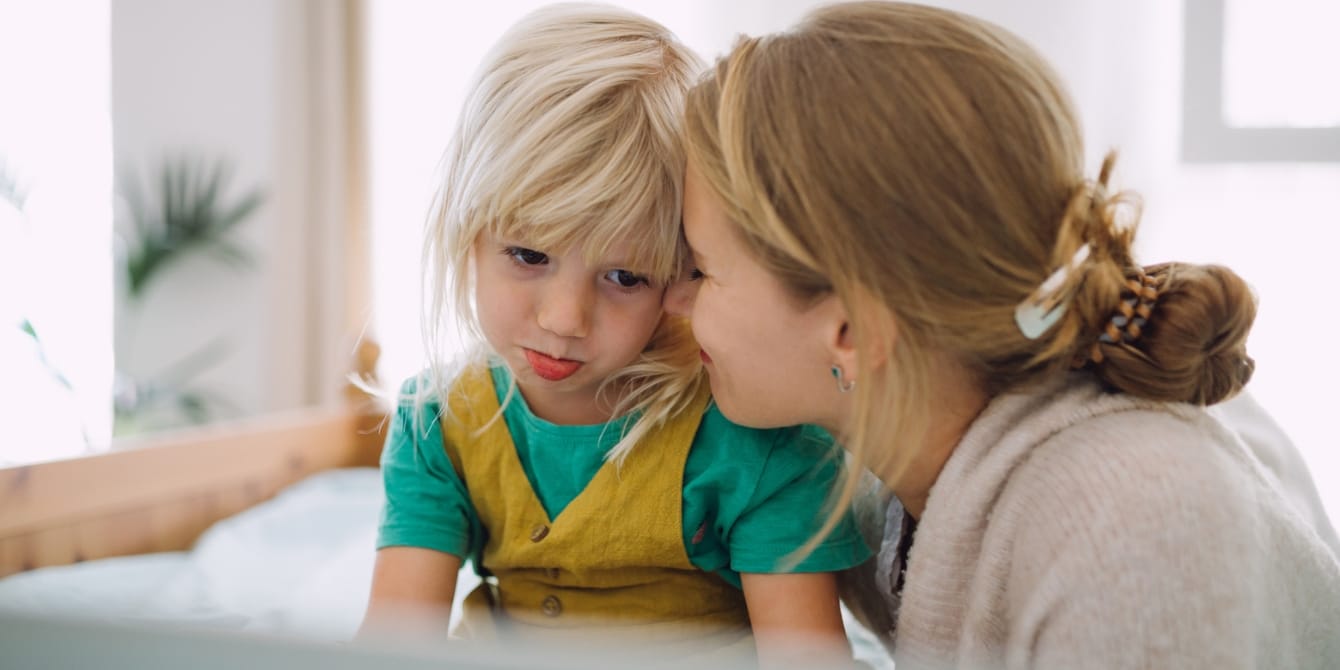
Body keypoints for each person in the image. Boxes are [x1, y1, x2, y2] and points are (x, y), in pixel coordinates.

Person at [665, 2, 1340, 667]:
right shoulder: (893, 485)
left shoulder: (1127, 527)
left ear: (852, 330)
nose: (674, 299)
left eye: (700, 268)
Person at [357, 4, 870, 666]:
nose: (564, 319)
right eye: (529, 256)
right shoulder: (437, 424)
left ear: (682, 273)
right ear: (467, 228)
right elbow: (392, 649)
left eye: (625, 276)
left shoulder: (754, 437)